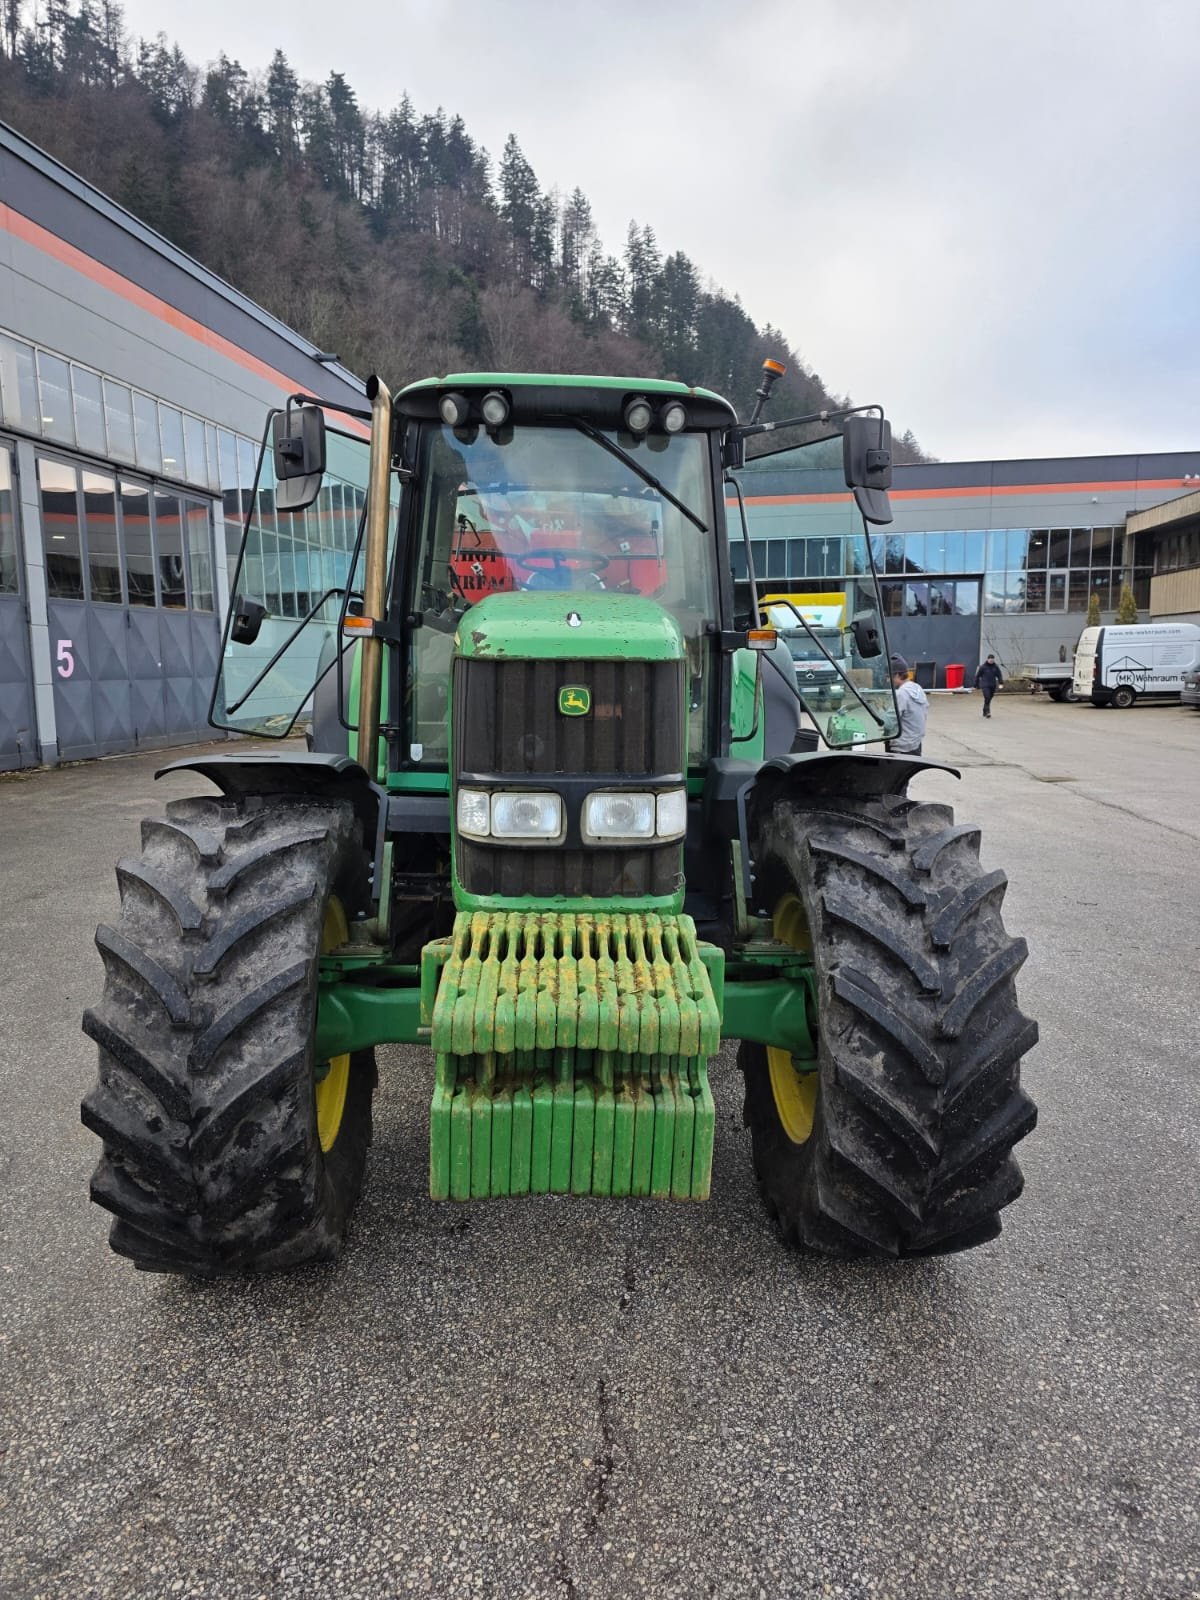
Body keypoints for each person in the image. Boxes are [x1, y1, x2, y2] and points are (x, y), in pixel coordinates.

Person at [888, 654, 928, 755]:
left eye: (888, 676)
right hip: (915, 745)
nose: (887, 680)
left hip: (901, 748)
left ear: (897, 675)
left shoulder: (901, 694)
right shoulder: (917, 688)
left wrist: (880, 711)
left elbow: (888, 723)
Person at [975, 653, 1003, 718]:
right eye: (990, 659)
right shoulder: (983, 667)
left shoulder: (995, 667)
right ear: (987, 659)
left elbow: (999, 675)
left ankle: (984, 710)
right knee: (987, 697)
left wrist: (1001, 683)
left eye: (992, 659)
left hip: (993, 685)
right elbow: (977, 676)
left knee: (989, 698)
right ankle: (988, 712)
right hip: (985, 685)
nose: (991, 661)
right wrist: (976, 684)